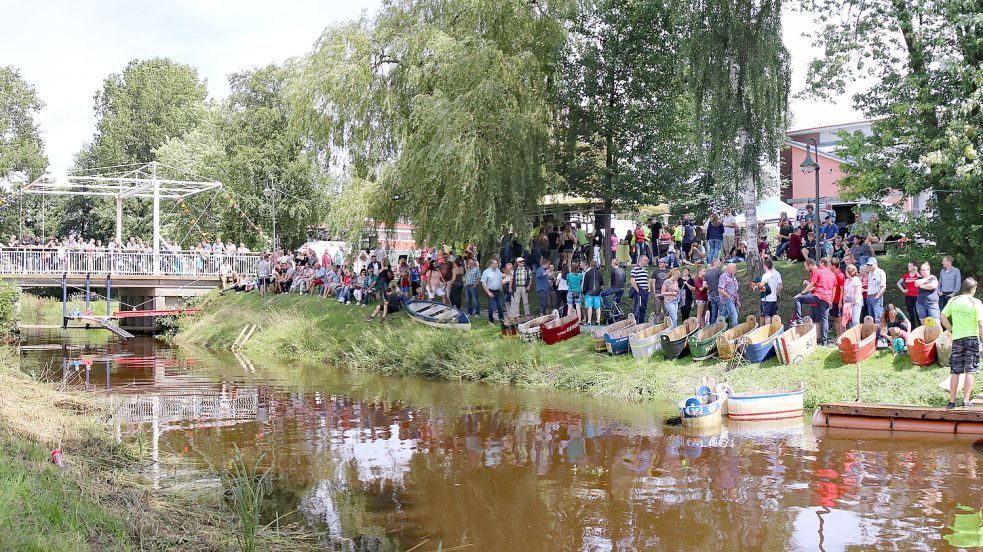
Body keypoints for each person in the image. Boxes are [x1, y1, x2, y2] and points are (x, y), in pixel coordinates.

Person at [940, 277, 983, 408]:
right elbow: (980, 324)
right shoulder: (976, 302)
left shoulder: (953, 300)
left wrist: (952, 329)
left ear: (963, 288)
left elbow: (942, 317)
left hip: (957, 339)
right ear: (973, 289)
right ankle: (965, 401)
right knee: (970, 370)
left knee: (955, 371)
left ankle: (951, 402)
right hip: (972, 339)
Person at [793, 258, 836, 345]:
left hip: (818, 296)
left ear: (823, 264)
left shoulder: (818, 271)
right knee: (825, 320)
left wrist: (801, 293)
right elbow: (833, 289)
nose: (819, 265)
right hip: (827, 299)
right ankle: (824, 342)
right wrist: (831, 300)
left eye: (820, 263)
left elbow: (811, 285)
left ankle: (798, 320)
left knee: (797, 299)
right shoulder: (833, 274)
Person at [758, 259, 782, 325]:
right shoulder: (776, 274)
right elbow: (780, 286)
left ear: (765, 266)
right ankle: (773, 329)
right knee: (773, 315)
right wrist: (776, 294)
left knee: (766, 316)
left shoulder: (766, 275)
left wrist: (757, 285)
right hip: (774, 298)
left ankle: (766, 330)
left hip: (766, 298)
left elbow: (761, 285)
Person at [481, 258, 505, 323]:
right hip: (490, 291)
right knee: (491, 307)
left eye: (496, 263)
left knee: (500, 306)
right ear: (490, 264)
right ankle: (491, 320)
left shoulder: (498, 270)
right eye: (493, 263)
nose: (495, 265)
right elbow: (483, 283)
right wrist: (488, 292)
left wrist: (501, 287)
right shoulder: (486, 272)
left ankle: (501, 319)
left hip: (498, 291)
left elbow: (501, 279)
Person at [865, 258, 887, 326]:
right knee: (871, 318)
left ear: (876, 264)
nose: (869, 266)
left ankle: (880, 335)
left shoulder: (881, 272)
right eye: (868, 265)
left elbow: (883, 287)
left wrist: (877, 297)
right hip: (869, 297)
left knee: (878, 318)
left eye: (871, 265)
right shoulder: (870, 273)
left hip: (876, 297)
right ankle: (874, 334)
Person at [897, 262, 920, 326]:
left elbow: (921, 279)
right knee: (910, 312)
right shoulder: (906, 275)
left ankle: (920, 326)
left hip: (917, 296)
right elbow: (898, 283)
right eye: (908, 265)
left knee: (917, 312)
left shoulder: (918, 274)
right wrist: (903, 290)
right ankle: (912, 326)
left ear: (914, 267)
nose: (908, 267)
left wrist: (916, 271)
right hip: (908, 296)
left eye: (910, 266)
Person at [840, 264, 862, 331]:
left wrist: (852, 303)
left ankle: (858, 336)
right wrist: (844, 302)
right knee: (849, 321)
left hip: (855, 302)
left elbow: (857, 292)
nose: (845, 271)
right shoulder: (846, 280)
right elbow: (845, 291)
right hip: (847, 302)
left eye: (846, 270)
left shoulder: (856, 280)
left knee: (855, 320)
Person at [717, 263, 740, 328]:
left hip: (733, 299)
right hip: (728, 300)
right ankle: (736, 332)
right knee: (734, 315)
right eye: (734, 268)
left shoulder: (733, 277)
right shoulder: (724, 277)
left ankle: (715, 329)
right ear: (728, 269)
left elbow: (735, 290)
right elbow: (720, 289)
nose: (736, 269)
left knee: (723, 316)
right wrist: (729, 297)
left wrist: (737, 300)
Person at [582, 260, 604, 326]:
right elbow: (602, 283)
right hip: (597, 292)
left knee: (589, 307)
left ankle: (589, 321)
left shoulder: (587, 273)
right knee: (598, 307)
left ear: (590, 265)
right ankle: (598, 321)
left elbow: (585, 284)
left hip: (589, 292)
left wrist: (584, 292)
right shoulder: (599, 273)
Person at [630, 256, 650, 322]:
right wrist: (638, 290)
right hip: (639, 291)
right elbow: (632, 280)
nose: (647, 261)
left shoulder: (645, 270)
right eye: (645, 260)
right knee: (638, 308)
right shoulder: (634, 269)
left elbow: (647, 280)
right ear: (641, 260)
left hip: (645, 291)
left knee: (643, 308)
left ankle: (642, 322)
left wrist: (648, 288)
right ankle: (636, 323)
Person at [704, 258, 724, 326]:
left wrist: (710, 286)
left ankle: (712, 326)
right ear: (714, 262)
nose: (720, 263)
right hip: (718, 294)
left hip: (711, 294)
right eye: (719, 262)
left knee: (714, 311)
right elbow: (724, 281)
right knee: (722, 311)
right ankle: (721, 326)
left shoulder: (707, 273)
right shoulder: (719, 271)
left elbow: (704, 285)